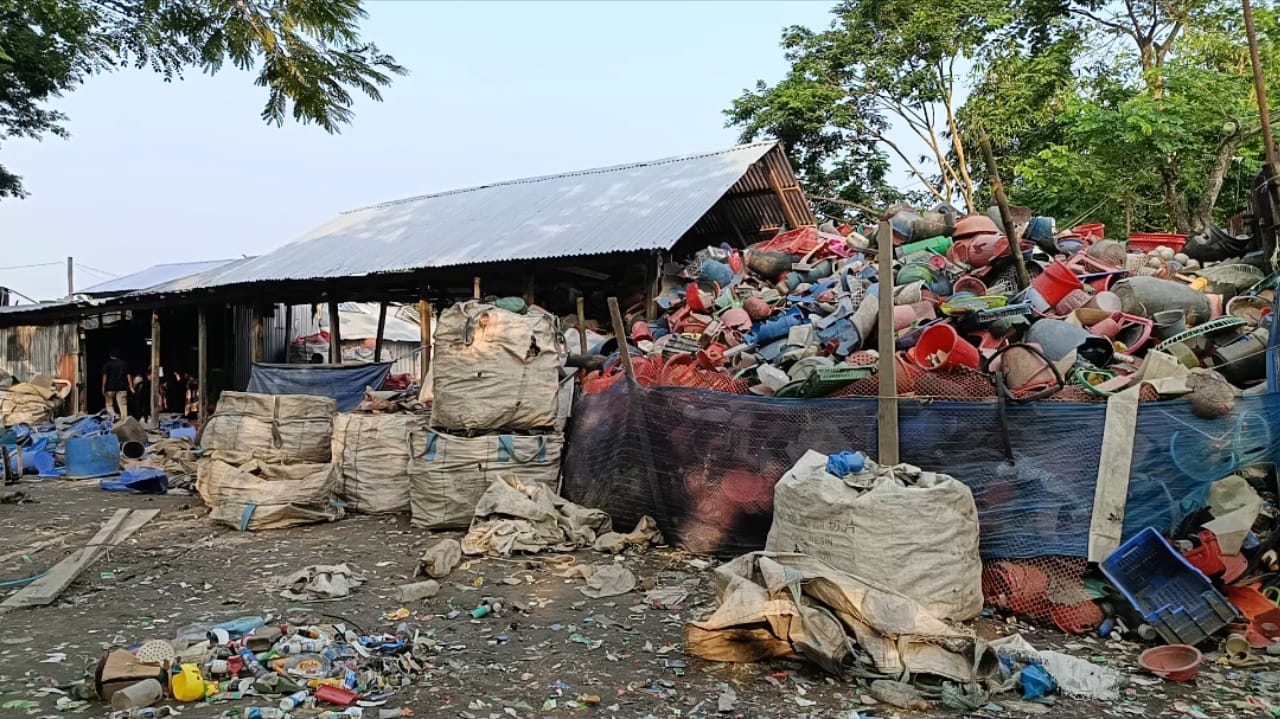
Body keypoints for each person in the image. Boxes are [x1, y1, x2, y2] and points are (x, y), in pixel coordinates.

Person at [101, 350, 133, 419]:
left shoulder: (107, 364)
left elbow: (105, 376)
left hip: (110, 388)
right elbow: (128, 375)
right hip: (122, 387)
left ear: (110, 356)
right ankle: (124, 421)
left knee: (109, 404)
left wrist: (103, 387)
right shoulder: (124, 364)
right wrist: (131, 387)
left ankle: (113, 417)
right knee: (123, 405)